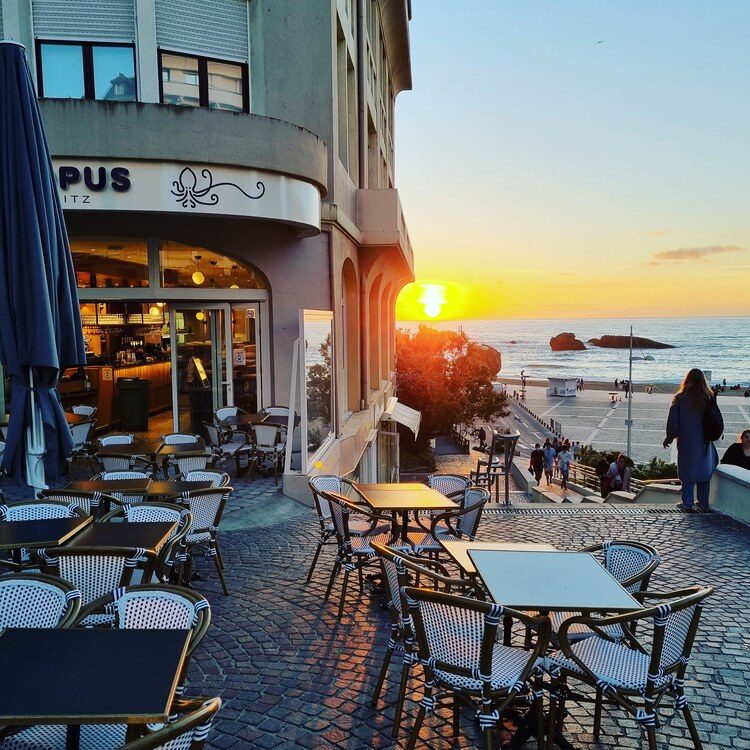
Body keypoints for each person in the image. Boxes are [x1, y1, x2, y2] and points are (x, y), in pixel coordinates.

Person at [663, 368, 720, 512]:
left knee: (688, 472)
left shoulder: (680, 398)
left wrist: (669, 438)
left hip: (688, 442)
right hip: (705, 441)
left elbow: (673, 423)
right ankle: (703, 503)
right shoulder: (709, 397)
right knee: (704, 473)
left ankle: (687, 503)